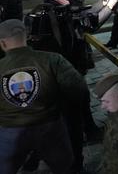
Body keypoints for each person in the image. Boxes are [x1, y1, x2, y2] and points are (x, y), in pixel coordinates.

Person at [0, 19, 88, 174]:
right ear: (26, 36)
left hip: (9, 130)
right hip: (50, 126)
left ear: (2, 43)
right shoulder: (52, 59)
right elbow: (78, 88)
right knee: (64, 167)